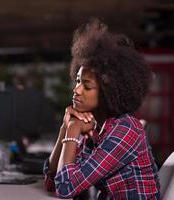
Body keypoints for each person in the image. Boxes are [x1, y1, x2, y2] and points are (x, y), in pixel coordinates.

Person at [43, 19, 160, 200]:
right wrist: (65, 128)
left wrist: (73, 129)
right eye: (78, 81)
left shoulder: (125, 130)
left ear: (108, 91)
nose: (77, 90)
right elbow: (52, 182)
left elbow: (65, 188)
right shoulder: (97, 129)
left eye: (87, 86)